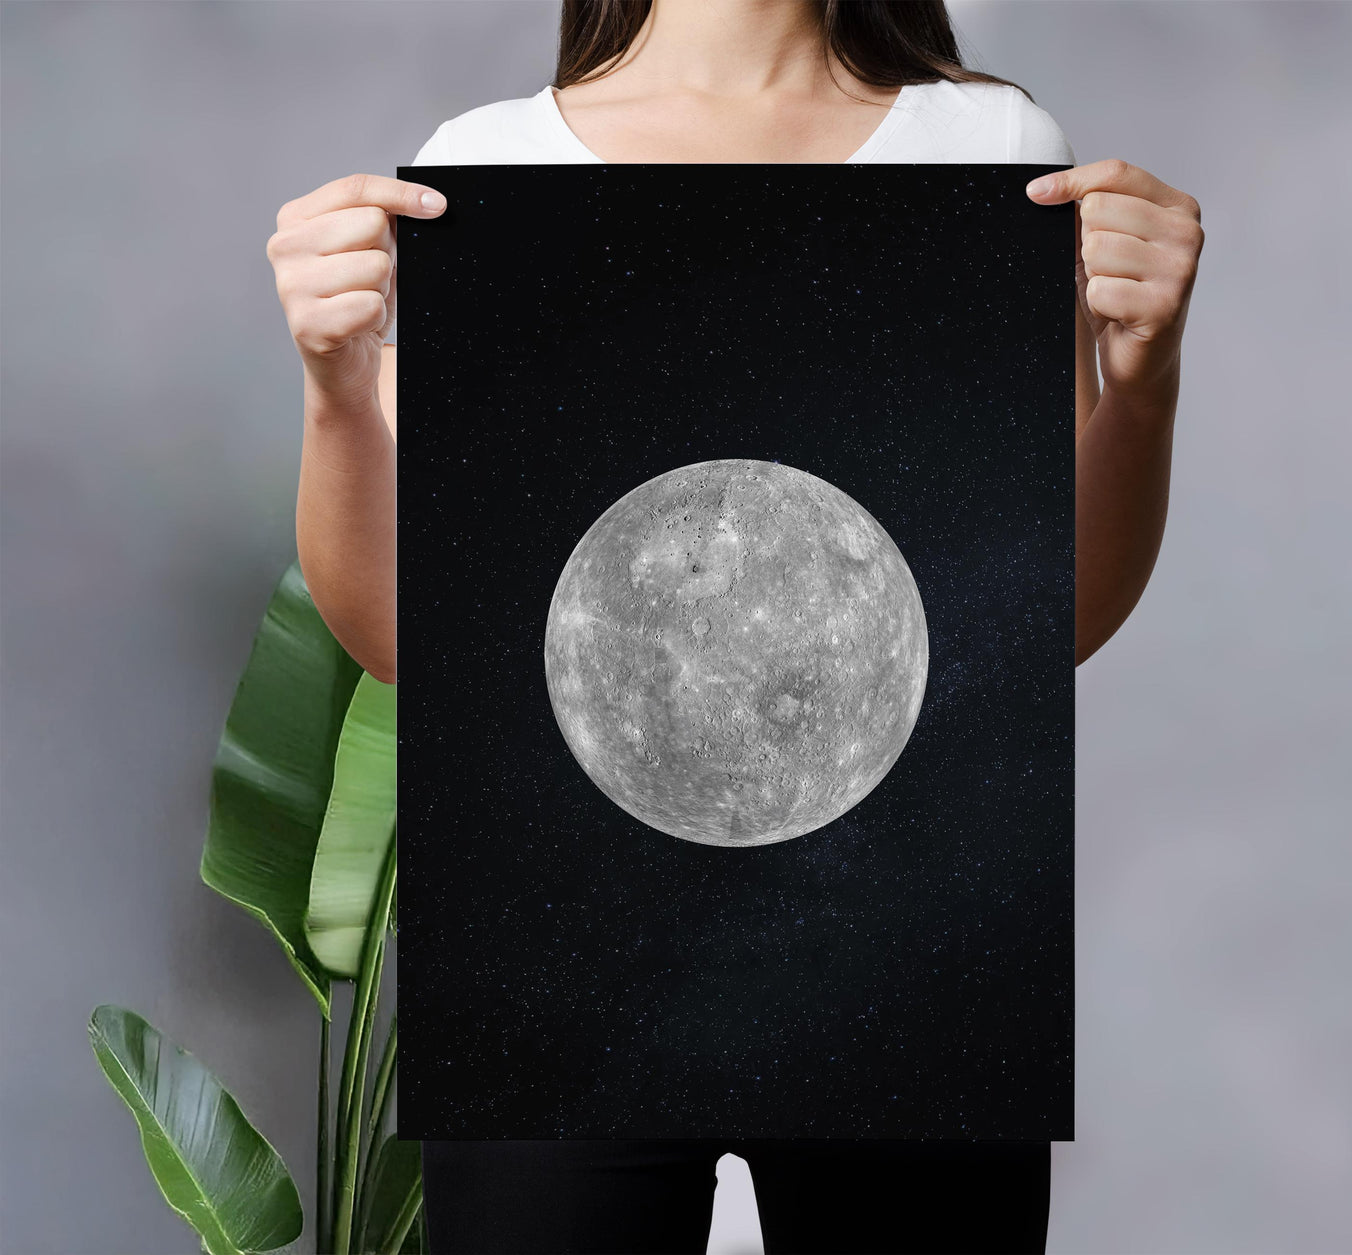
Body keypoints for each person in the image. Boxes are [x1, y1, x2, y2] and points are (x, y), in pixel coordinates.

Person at [265, 1, 1203, 1250]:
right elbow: (401, 644)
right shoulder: (483, 171)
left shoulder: (989, 148)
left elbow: (1044, 626)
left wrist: (1141, 385)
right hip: (561, 961)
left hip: (901, 951)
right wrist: (337, 390)